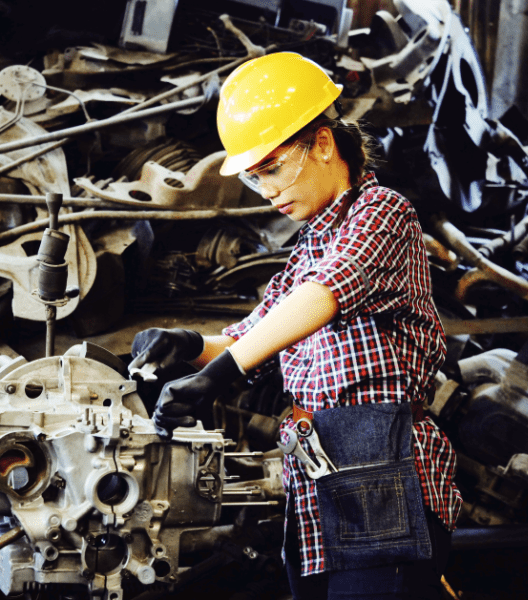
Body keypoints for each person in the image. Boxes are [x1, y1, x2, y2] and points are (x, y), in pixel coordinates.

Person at [127, 52, 462, 600]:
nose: (266, 191)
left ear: (324, 144)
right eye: (255, 177)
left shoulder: (382, 213)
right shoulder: (309, 247)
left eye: (273, 168)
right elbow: (251, 335)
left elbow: (324, 295)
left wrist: (221, 375)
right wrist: (187, 346)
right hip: (318, 472)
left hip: (382, 466)